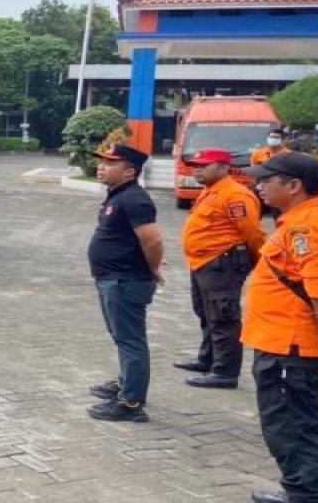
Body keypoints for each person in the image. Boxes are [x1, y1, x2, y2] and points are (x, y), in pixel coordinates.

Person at [242, 152, 318, 503]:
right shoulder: (298, 220)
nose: (258, 185)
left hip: (289, 348)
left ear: (294, 186)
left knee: (290, 426)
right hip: (281, 343)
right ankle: (306, 489)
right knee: (299, 420)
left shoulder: (308, 228)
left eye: (267, 180)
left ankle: (305, 495)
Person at [85, 143, 164, 423]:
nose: (101, 166)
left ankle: (131, 402)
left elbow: (152, 239)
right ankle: (125, 382)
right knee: (122, 336)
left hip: (125, 281)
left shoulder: (134, 199)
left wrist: (153, 267)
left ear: (130, 171)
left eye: (110, 162)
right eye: (102, 161)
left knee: (131, 340)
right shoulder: (119, 195)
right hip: (112, 278)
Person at [173, 149, 265, 389]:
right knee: (206, 313)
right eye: (195, 165)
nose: (197, 169)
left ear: (224, 168)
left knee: (223, 316)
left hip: (222, 263)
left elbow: (253, 233)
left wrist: (258, 263)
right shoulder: (209, 191)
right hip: (203, 263)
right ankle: (208, 358)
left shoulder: (236, 196)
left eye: (204, 165)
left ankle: (225, 372)